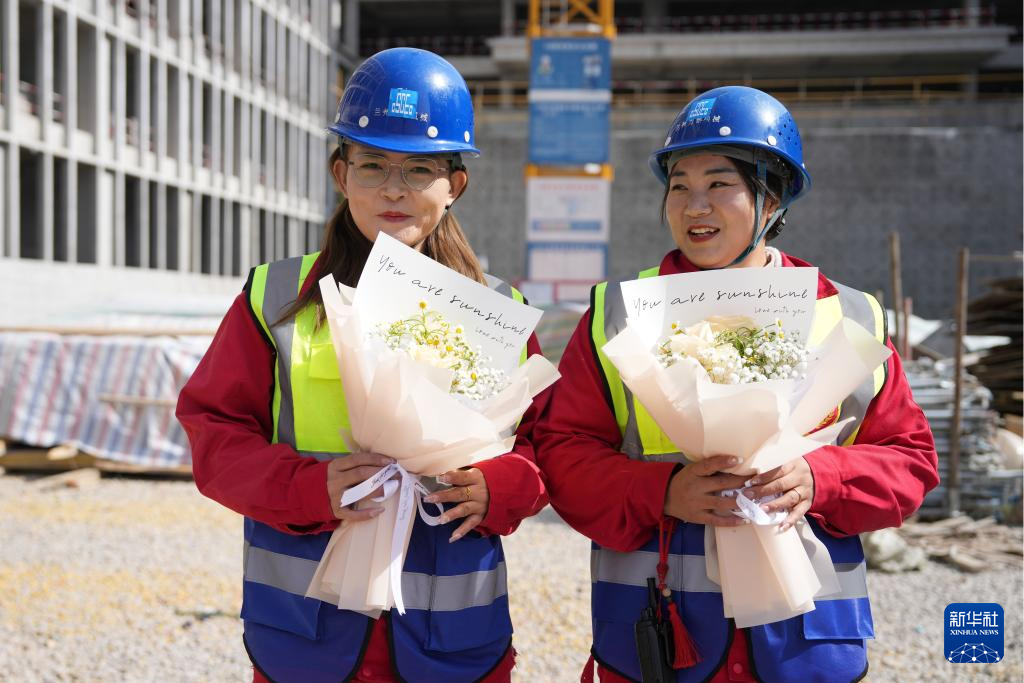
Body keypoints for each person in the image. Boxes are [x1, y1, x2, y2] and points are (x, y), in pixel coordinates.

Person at [532, 86, 939, 683]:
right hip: (664, 639)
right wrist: (660, 492)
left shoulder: (847, 315)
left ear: (773, 197)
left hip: (805, 647)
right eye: (679, 187)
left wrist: (821, 478)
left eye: (719, 184)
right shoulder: (617, 317)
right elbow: (561, 455)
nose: (694, 206)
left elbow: (911, 462)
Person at [176, 48, 549, 683]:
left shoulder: (498, 313)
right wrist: (306, 487)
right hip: (308, 635)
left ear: (454, 186)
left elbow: (546, 446)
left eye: (419, 168)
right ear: (341, 174)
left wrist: (502, 488)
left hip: (450, 637)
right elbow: (214, 435)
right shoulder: (275, 299)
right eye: (372, 164)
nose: (393, 189)